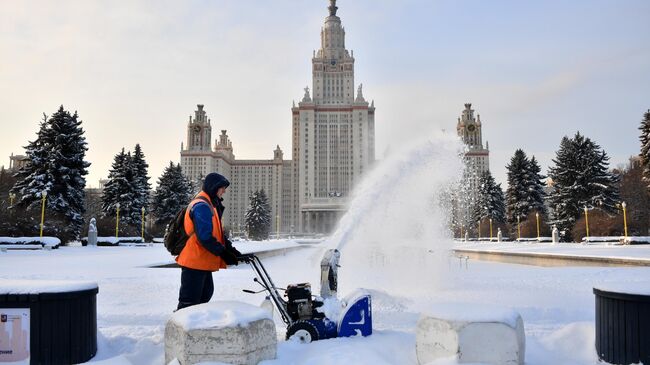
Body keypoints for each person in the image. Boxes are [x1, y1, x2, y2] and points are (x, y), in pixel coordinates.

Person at [176, 172, 243, 310]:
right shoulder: (201, 206)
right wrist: (223, 253)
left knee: (204, 295)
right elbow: (205, 237)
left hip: (202, 262)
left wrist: (231, 250)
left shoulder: (210, 205)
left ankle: (196, 327)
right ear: (214, 187)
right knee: (189, 302)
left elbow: (217, 235)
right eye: (222, 187)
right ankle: (179, 328)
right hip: (194, 261)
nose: (224, 191)